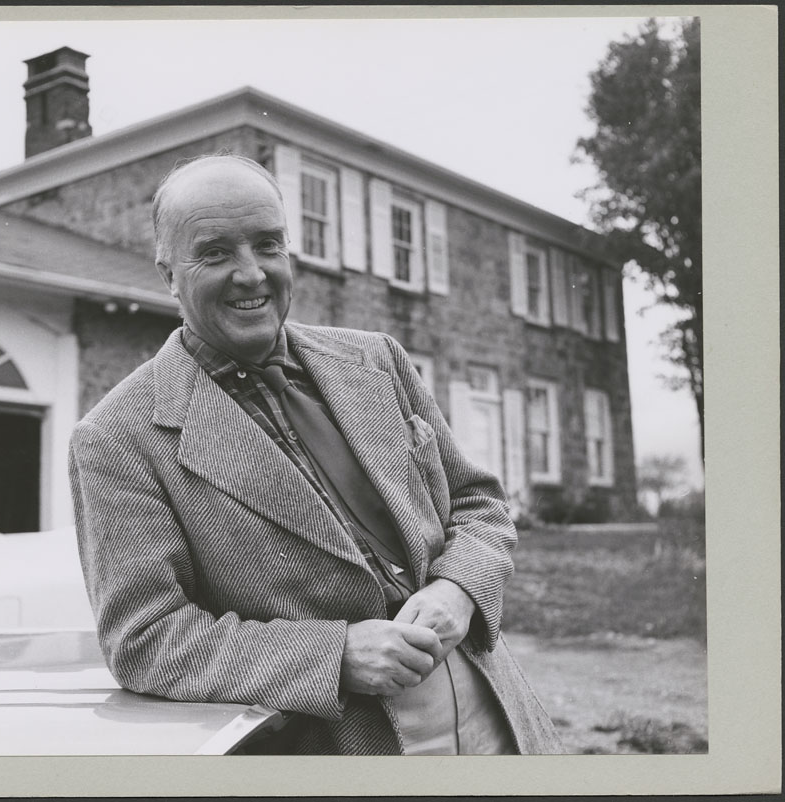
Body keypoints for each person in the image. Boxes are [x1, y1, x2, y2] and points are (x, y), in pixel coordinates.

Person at [68, 153, 563, 755]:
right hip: (347, 743)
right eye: (215, 253)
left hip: (500, 716)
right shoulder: (117, 436)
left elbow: (478, 501)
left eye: (268, 244)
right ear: (169, 273)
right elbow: (145, 640)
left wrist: (459, 588)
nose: (251, 274)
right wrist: (336, 655)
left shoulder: (377, 359)